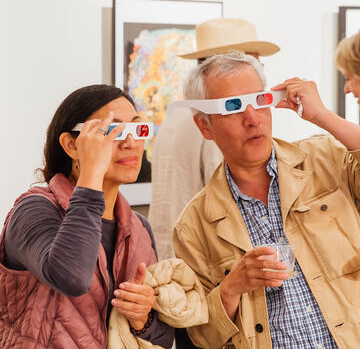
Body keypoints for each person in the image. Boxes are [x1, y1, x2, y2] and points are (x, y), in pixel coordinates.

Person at [173, 51, 360, 348]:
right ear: (205, 127)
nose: (252, 119)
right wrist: (231, 288)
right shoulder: (194, 225)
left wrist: (321, 115)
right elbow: (201, 336)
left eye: (259, 101)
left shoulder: (327, 161)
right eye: (233, 107)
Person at [0, 84, 174, 348]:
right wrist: (92, 172)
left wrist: (143, 319)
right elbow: (72, 277)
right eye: (113, 131)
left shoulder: (139, 228)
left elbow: (165, 337)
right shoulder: (33, 210)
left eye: (137, 129)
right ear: (72, 145)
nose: (130, 143)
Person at [149, 18, 280, 261]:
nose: (258, 71)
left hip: (170, 252)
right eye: (252, 61)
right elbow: (227, 188)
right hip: (208, 256)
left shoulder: (177, 114)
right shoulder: (216, 120)